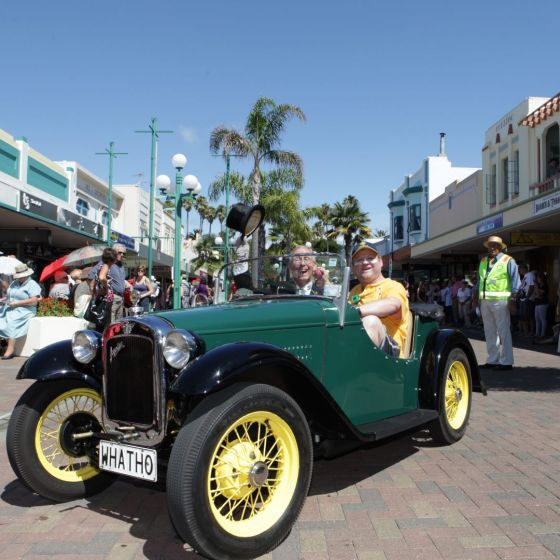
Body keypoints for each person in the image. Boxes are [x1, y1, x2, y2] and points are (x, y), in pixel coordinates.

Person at [348, 241, 410, 358]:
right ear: (353, 267)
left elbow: (393, 304)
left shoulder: (392, 286)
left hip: (391, 355)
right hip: (355, 346)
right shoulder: (354, 291)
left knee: (371, 321)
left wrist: (356, 311)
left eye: (370, 258)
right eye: (359, 260)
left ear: (381, 261)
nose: (365, 262)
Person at [473, 235, 520, 371]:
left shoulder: (508, 260)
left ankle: (506, 361)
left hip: (501, 301)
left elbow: (515, 281)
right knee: (489, 331)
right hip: (485, 301)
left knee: (503, 331)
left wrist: (512, 300)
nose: (492, 248)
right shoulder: (483, 261)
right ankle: (493, 359)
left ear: (500, 247)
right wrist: (475, 299)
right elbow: (479, 282)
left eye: (495, 245)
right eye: (490, 245)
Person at [0, 264, 42, 359]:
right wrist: (3, 300)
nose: (19, 278)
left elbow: (34, 300)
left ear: (26, 275)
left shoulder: (32, 284)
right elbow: (10, 296)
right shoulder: (14, 283)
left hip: (25, 309)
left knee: (12, 322)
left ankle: (10, 348)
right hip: (11, 307)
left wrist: (18, 303)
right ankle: (4, 344)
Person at [89, 243, 127, 322]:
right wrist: (99, 290)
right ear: (113, 252)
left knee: (118, 325)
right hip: (111, 298)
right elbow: (91, 276)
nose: (122, 254)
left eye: (123, 253)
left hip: (120, 298)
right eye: (120, 252)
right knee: (110, 324)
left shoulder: (121, 266)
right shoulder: (106, 263)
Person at [533, 271, 549, 340]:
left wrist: (536, 287)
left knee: (542, 319)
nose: (537, 279)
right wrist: (536, 289)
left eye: (538, 278)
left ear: (541, 278)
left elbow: (539, 295)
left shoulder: (544, 285)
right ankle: (537, 333)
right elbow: (535, 295)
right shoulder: (539, 285)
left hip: (543, 304)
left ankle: (542, 334)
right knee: (537, 319)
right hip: (537, 303)